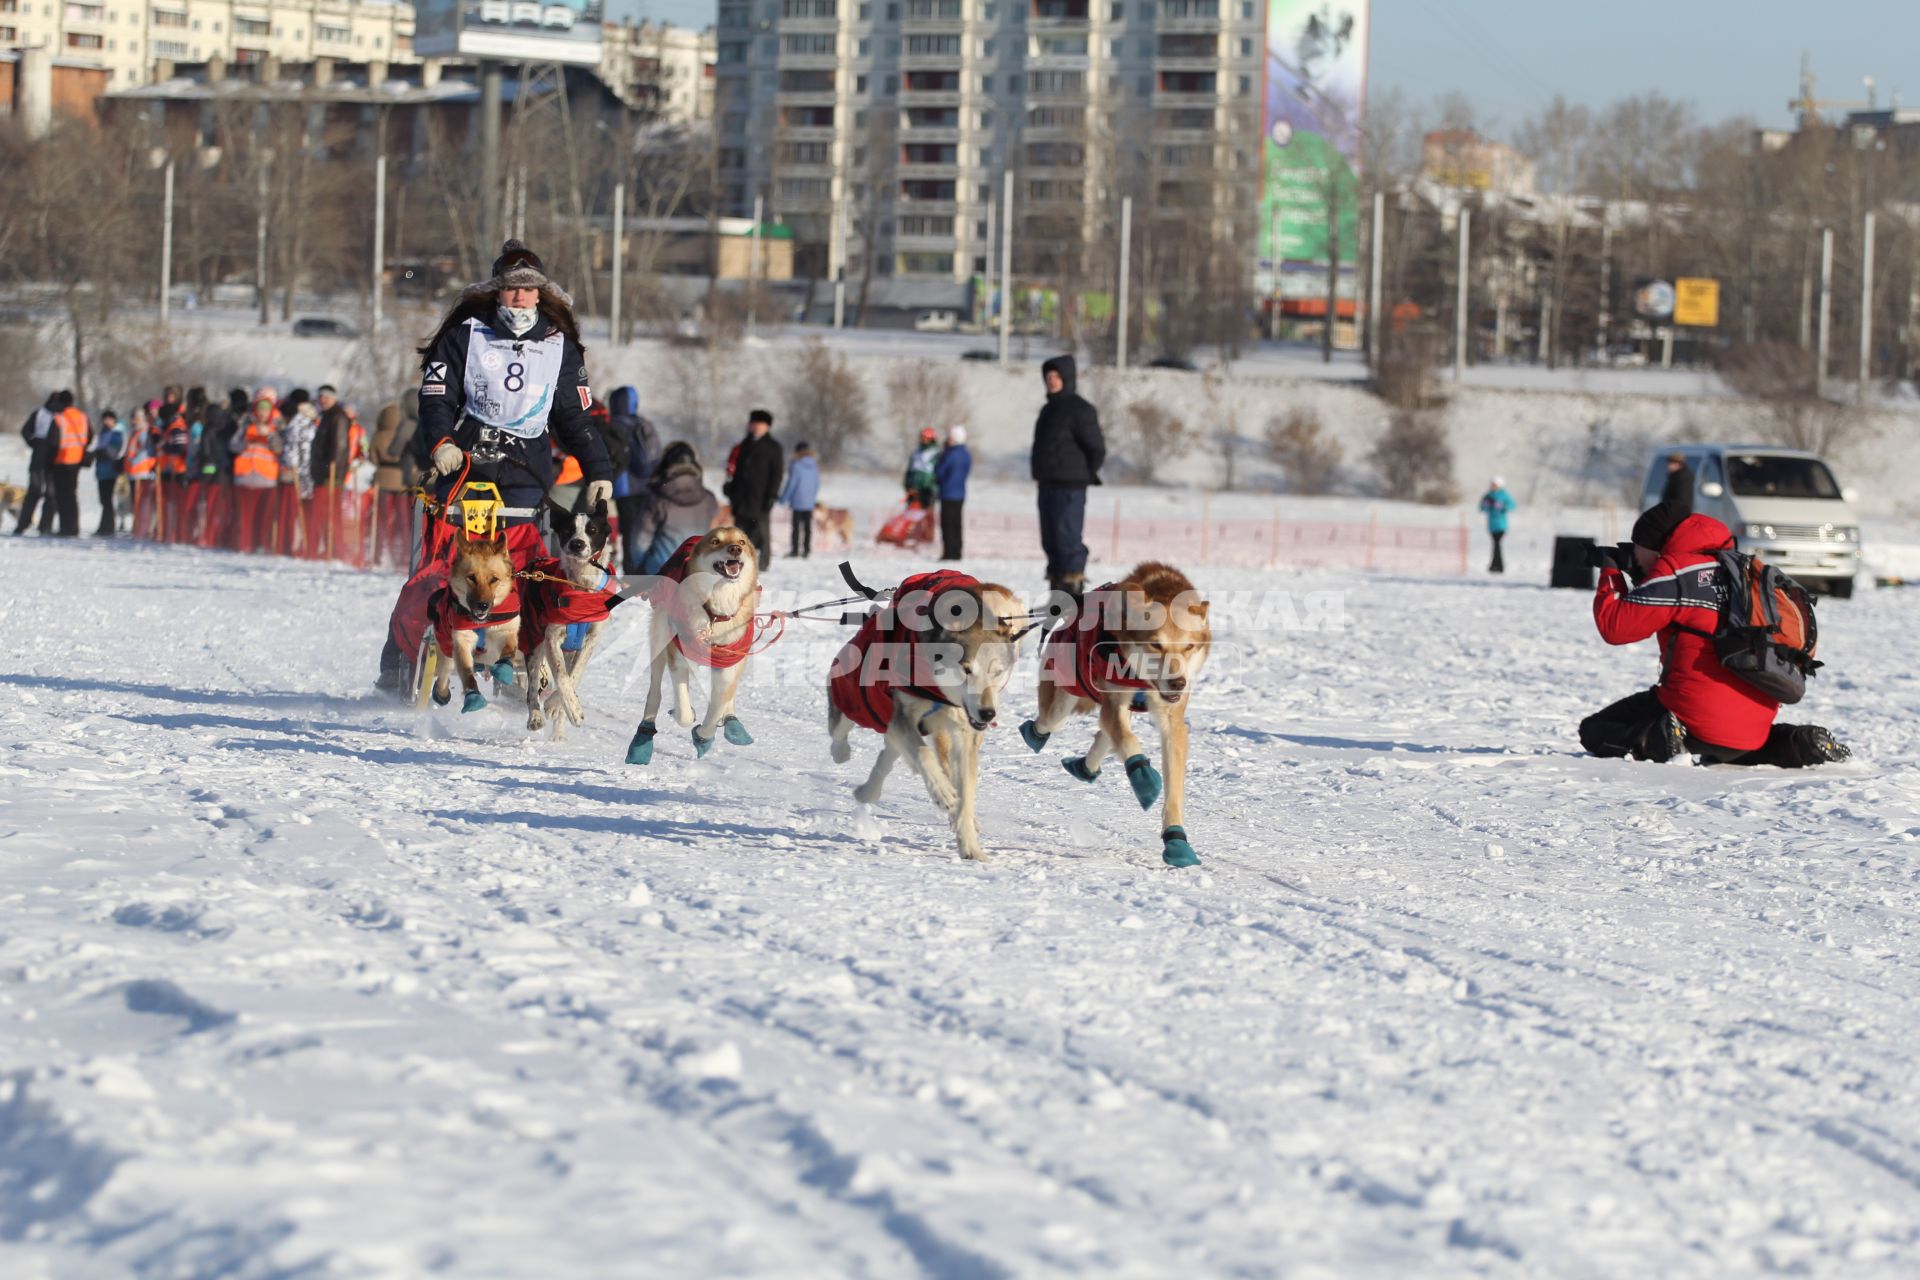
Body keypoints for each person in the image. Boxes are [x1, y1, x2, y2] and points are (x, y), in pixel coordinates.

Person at [377, 238, 613, 691]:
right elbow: (435, 400)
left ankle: (525, 650)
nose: (519, 297)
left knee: (526, 564)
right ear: (497, 291)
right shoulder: (465, 333)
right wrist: (443, 442)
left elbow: (574, 417)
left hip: (526, 471)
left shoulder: (559, 345)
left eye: (528, 289)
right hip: (465, 464)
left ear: (541, 294)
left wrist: (598, 468)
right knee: (440, 563)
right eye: (511, 289)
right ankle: (403, 653)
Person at [1579, 501, 1849, 768]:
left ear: (1653, 547)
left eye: (1637, 548)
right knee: (1731, 745)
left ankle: (1662, 737)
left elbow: (1614, 627)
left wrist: (1611, 569)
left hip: (1691, 715)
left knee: (1596, 729)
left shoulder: (1676, 571)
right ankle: (1799, 743)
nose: (1636, 557)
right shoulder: (1743, 570)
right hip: (1753, 727)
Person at [1030, 354, 1105, 600]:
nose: (1051, 381)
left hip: (1070, 488)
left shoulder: (1081, 410)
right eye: (1048, 377)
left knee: (1067, 539)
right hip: (1047, 485)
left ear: (1067, 378)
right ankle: (1057, 596)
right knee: (1050, 540)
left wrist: (1083, 474)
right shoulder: (1047, 411)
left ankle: (1072, 596)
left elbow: (1096, 448)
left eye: (1056, 376)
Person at [635, 441, 720, 575]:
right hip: (697, 569)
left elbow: (640, 541)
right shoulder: (709, 499)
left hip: (661, 569)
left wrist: (638, 569)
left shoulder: (656, 498)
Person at [605, 386, 659, 573]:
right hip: (648, 486)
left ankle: (632, 572)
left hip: (624, 487)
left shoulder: (612, 424)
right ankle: (646, 569)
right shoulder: (644, 424)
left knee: (628, 532)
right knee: (644, 531)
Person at [724, 408, 783, 569]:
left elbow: (777, 474)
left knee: (762, 532)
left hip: (761, 498)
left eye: (760, 424)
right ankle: (739, 563)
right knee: (739, 534)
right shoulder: (743, 445)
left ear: (767, 427)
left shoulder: (774, 447)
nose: (756, 427)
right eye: (754, 424)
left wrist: (772, 495)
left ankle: (763, 564)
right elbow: (734, 469)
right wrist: (730, 487)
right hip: (741, 498)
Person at [231, 389, 283, 553]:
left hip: (266, 477)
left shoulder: (275, 429)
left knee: (264, 516)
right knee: (244, 515)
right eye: (260, 409)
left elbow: (280, 449)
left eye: (265, 409)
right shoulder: (247, 427)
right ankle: (244, 543)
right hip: (245, 475)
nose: (262, 413)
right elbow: (233, 445)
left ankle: (262, 544)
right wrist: (247, 443)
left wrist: (269, 438)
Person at [13, 390, 67, 536]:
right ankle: (36, 525)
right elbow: (25, 431)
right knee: (42, 493)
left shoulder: (44, 413)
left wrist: (35, 444)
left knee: (42, 493)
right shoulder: (48, 414)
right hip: (47, 458)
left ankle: (34, 525)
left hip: (45, 458)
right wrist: (35, 444)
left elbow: (25, 432)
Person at [45, 396, 90, 538]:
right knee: (72, 495)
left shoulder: (59, 418)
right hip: (76, 461)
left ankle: (65, 527)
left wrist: (49, 462)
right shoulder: (82, 417)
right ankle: (74, 527)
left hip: (61, 461)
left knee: (62, 496)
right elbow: (90, 435)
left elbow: (52, 442)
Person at [779, 441, 820, 560]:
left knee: (796, 527)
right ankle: (806, 550)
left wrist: (783, 498)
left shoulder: (796, 465)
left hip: (797, 499)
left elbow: (792, 483)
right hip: (809, 500)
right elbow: (817, 483)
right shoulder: (814, 465)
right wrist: (812, 496)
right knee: (807, 526)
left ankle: (795, 550)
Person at [935, 425, 971, 561]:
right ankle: (957, 552)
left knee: (947, 524)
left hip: (947, 493)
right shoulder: (966, 454)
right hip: (960, 493)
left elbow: (939, 471)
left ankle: (948, 553)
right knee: (957, 524)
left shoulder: (950, 454)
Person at [92, 410, 124, 536]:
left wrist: (102, 453)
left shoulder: (117, 433)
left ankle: (107, 526)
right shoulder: (102, 433)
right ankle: (105, 525)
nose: (106, 421)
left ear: (114, 420)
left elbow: (114, 450)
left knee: (107, 499)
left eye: (109, 419)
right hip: (101, 470)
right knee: (103, 499)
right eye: (104, 419)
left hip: (111, 470)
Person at [1478, 476, 1514, 574]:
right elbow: (1481, 508)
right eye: (1492, 484)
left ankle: (1498, 566)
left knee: (1497, 544)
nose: (1492, 486)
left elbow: (1512, 505)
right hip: (1491, 525)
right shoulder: (1488, 495)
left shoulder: (1504, 495)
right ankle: (1495, 566)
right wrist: (1486, 505)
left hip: (1501, 525)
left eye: (1495, 484)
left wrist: (1502, 506)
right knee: (1495, 545)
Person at [904, 426, 939, 510]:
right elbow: (910, 469)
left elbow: (938, 472)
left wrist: (933, 486)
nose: (923, 440)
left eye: (926, 438)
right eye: (922, 437)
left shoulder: (936, 453)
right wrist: (908, 485)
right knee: (911, 514)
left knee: (926, 515)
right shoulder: (917, 452)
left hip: (927, 490)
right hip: (914, 489)